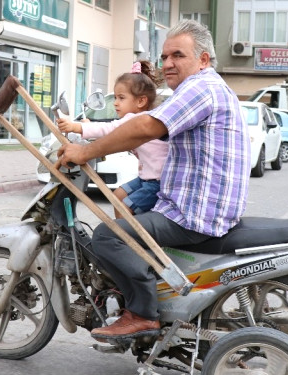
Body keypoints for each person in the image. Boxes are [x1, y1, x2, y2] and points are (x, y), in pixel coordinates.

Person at [57, 20, 251, 341]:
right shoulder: (203, 88)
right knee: (125, 214)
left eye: (178, 55)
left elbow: (146, 127)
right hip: (193, 206)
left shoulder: (201, 88)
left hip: (193, 215)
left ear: (203, 60)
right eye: (164, 57)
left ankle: (142, 313)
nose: (169, 64)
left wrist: (86, 151)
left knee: (108, 236)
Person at [57, 60, 168, 218]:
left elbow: (111, 128)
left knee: (124, 206)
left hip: (157, 182)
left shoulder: (137, 119)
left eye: (121, 98)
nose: (115, 103)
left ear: (141, 101)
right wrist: (90, 126)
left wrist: (76, 127)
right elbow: (112, 132)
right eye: (115, 97)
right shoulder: (142, 117)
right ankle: (122, 232)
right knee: (117, 196)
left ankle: (127, 237)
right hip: (146, 178)